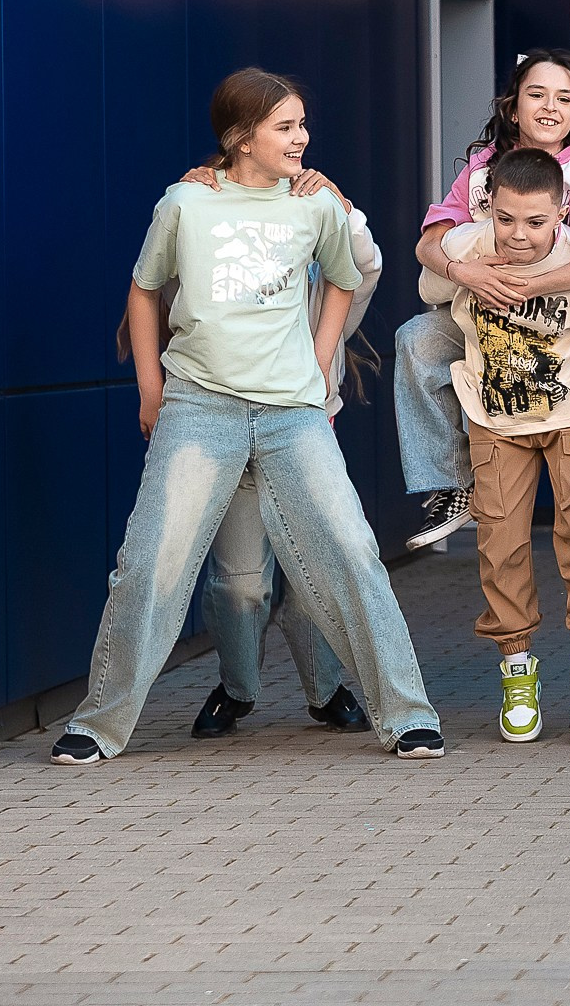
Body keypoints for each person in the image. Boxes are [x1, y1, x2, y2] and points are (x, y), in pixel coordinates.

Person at [55, 70, 440, 763]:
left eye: (302, 123)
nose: (303, 138)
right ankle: (98, 723)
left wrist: (319, 368)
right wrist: (150, 390)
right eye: (286, 127)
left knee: (351, 551)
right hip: (199, 408)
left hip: (292, 413)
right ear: (241, 139)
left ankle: (407, 714)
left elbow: (348, 281)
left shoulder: (314, 206)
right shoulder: (185, 203)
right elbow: (144, 291)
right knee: (150, 564)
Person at [395, 51, 570, 632]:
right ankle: (447, 484)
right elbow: (430, 238)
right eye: (536, 94)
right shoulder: (483, 164)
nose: (549, 107)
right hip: (491, 318)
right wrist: (464, 272)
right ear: (513, 105)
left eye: (564, 98)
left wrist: (528, 284)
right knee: (416, 338)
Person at [421, 146, 570, 742]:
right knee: (500, 545)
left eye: (535, 222)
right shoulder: (467, 252)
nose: (518, 236)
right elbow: (427, 272)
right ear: (487, 209)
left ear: (561, 214)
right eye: (505, 219)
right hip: (496, 422)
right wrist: (462, 271)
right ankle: (517, 672)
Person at [191, 197, 384, 739]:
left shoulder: (330, 288)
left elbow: (367, 263)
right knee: (242, 585)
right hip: (234, 440)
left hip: (307, 441)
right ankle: (236, 688)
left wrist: (344, 206)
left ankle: (326, 692)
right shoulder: (226, 268)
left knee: (314, 579)